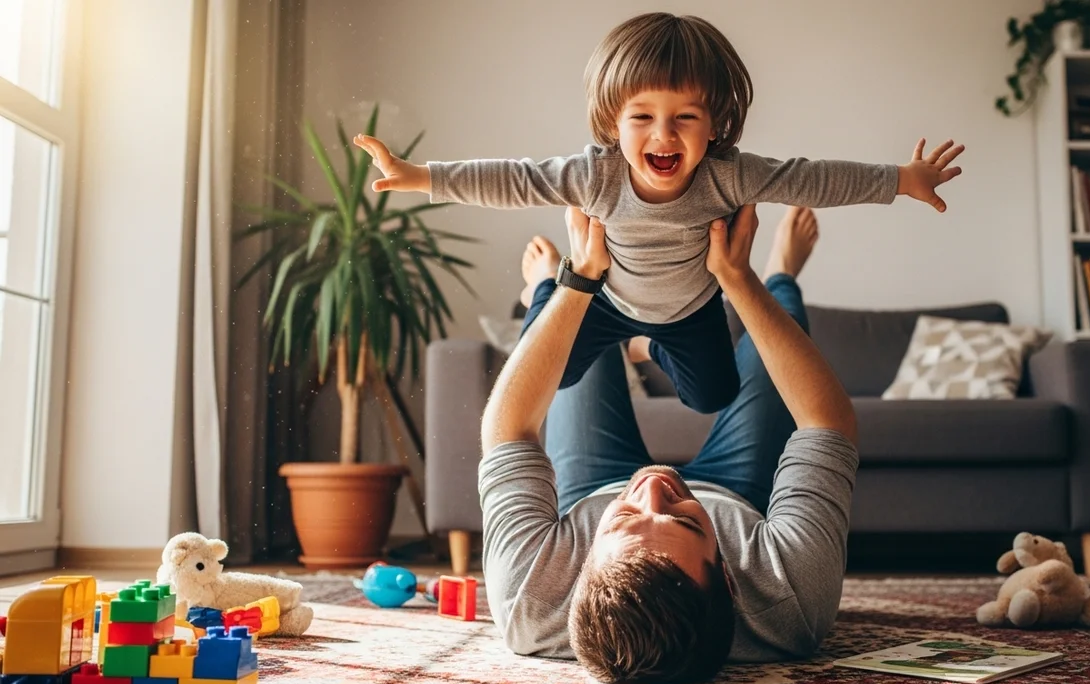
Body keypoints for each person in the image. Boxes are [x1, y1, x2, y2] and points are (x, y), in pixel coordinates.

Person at [355, 11, 964, 415]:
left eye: (686, 117)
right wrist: (421, 177)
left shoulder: (732, 173)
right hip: (605, 299)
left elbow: (814, 176)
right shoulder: (594, 174)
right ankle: (545, 287)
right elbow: (514, 178)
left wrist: (901, 180)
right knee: (554, 377)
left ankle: (646, 347)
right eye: (642, 117)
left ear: (716, 124)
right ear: (612, 123)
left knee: (713, 397)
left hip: (689, 310)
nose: (664, 134)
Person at [479, 204, 858, 684]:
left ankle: (546, 293)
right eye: (683, 520)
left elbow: (508, 428)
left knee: (572, 338)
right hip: (736, 494)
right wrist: (737, 278)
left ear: (578, 575)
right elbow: (827, 421)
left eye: (627, 518)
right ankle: (781, 272)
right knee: (776, 347)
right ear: (727, 577)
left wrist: (578, 282)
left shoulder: (530, 597)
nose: (656, 487)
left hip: (592, 488)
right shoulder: (791, 599)